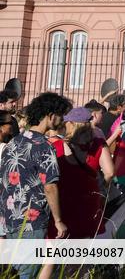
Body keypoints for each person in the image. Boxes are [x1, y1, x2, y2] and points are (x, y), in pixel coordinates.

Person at [0, 93, 71, 279]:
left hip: (8, 218)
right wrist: (58, 220)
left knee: (18, 270)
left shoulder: (12, 143)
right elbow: (50, 186)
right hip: (31, 219)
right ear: (50, 115)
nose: (62, 119)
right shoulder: (44, 146)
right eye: (61, 114)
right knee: (27, 273)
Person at [46, 107, 114, 239]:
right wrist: (99, 187)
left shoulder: (56, 145)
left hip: (64, 200)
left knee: (59, 247)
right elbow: (110, 172)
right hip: (89, 199)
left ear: (71, 124)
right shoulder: (99, 143)